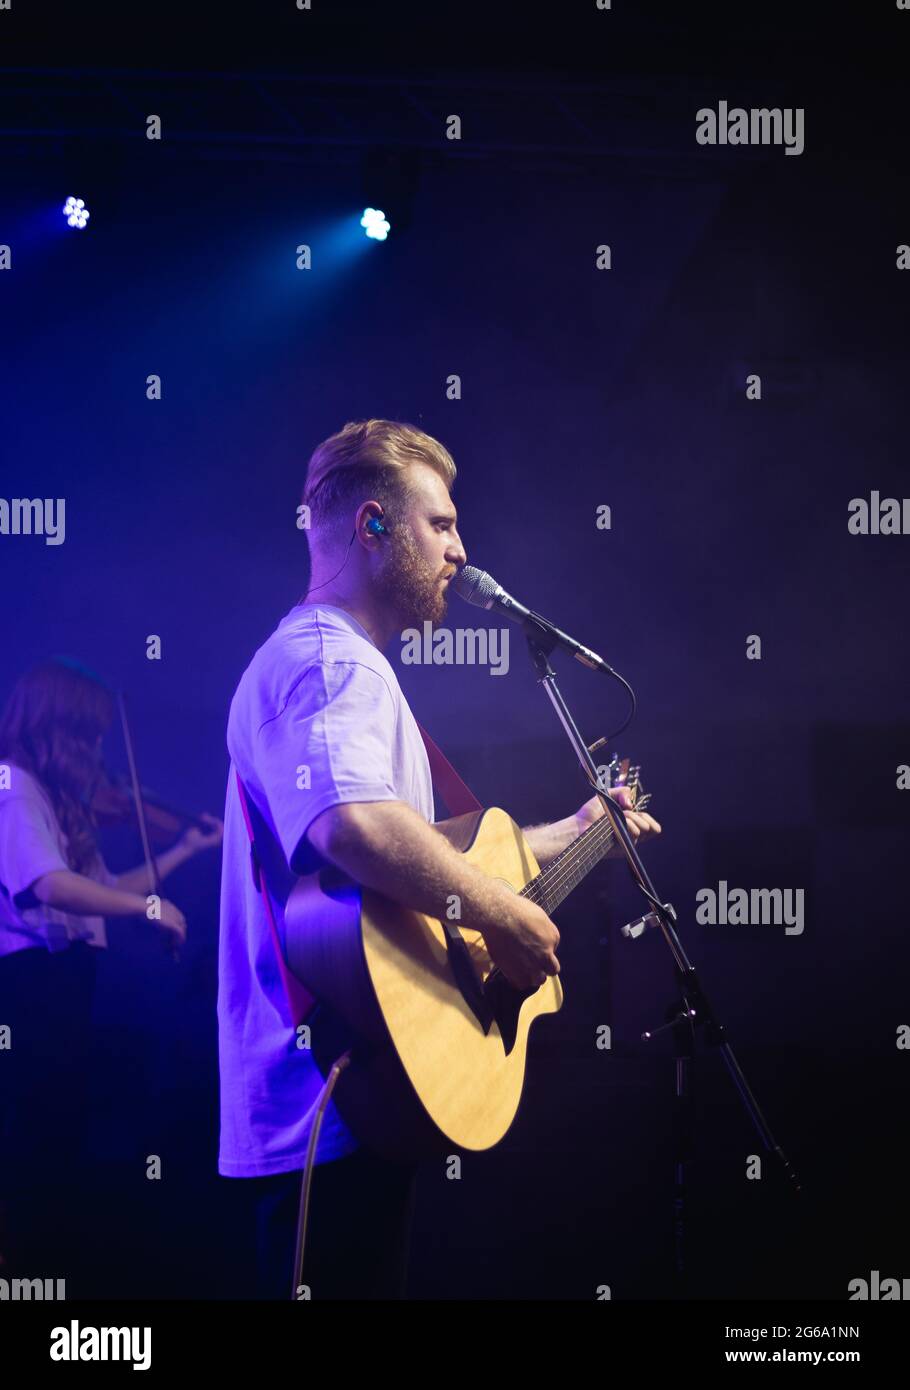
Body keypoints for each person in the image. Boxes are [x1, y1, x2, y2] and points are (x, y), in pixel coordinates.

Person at [218, 419, 661, 1300]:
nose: (461, 550)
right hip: (325, 1100)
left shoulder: (349, 667)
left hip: (366, 1086)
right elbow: (350, 830)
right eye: (443, 525)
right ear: (372, 525)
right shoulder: (326, 661)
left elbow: (416, 872)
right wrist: (504, 915)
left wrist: (573, 833)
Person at [0, 657, 223, 1279]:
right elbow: (49, 885)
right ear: (55, 727)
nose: (97, 751)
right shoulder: (10, 783)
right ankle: (24, 1275)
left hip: (67, 981)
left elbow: (106, 886)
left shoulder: (56, 798)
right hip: (29, 988)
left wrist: (182, 849)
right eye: (87, 735)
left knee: (59, 1130)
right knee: (34, 1133)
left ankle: (45, 1269)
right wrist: (147, 907)